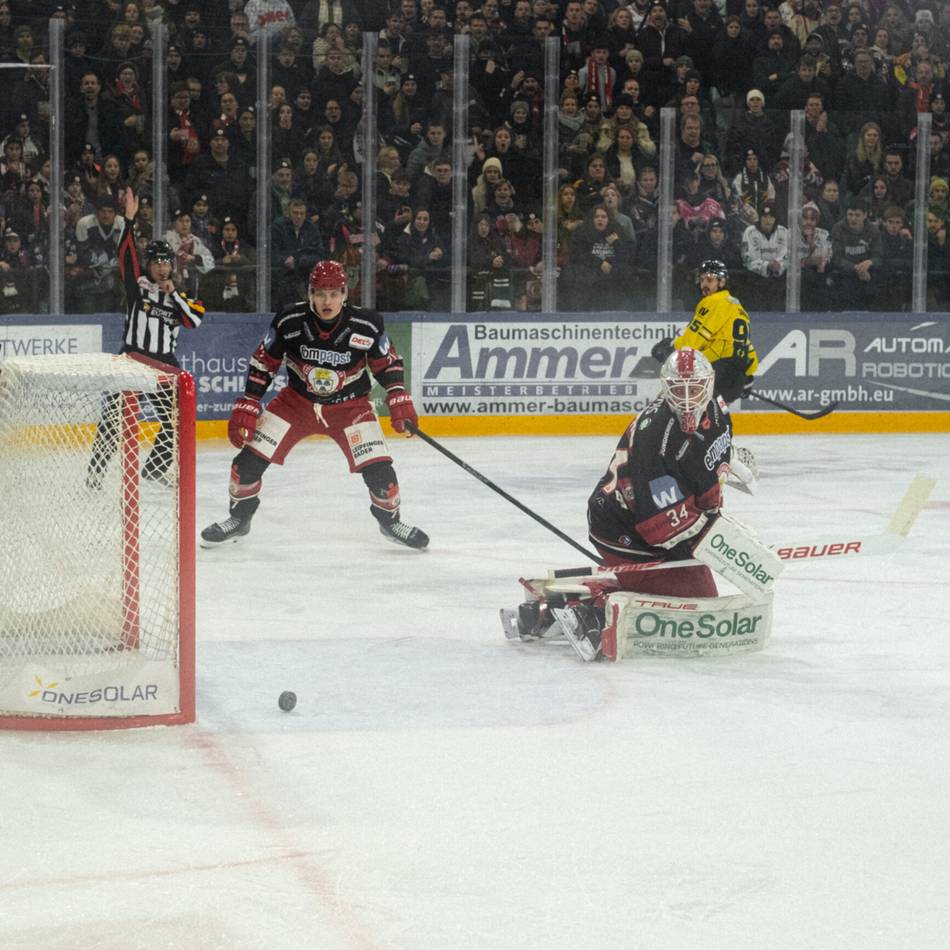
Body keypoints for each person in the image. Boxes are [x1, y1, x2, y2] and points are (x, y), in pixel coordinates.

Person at [511, 348, 734, 657]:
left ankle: (578, 595)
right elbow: (661, 527)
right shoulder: (655, 433)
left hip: (654, 523)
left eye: (694, 388)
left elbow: (704, 467)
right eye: (678, 389)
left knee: (698, 591)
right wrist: (716, 540)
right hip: (622, 528)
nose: (686, 398)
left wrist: (729, 471)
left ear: (708, 385)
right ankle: (577, 606)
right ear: (664, 387)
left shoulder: (719, 409)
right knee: (698, 604)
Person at [200, 260, 428, 551]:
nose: (327, 301)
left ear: (346, 294)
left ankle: (390, 521)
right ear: (310, 293)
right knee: (245, 465)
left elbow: (388, 362)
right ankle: (239, 519)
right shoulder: (289, 320)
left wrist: (397, 394)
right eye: (320, 293)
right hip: (296, 403)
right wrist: (249, 402)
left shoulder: (367, 324)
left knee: (382, 476)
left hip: (351, 408)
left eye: (334, 294)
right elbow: (263, 363)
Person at [87, 189, 205, 490]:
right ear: (149, 264)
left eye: (167, 263)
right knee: (113, 421)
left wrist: (173, 293)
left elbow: (193, 321)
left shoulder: (181, 295)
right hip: (132, 358)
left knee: (176, 420)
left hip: (165, 365)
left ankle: (153, 469)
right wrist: (128, 220)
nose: (163, 268)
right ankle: (96, 474)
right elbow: (125, 256)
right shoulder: (137, 287)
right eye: (157, 263)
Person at [651, 260, 758, 404]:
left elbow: (695, 338)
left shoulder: (712, 302)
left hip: (718, 370)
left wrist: (672, 348)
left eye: (709, 280)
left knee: (684, 407)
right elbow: (747, 345)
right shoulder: (739, 308)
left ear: (722, 282)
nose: (704, 285)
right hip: (738, 374)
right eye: (701, 280)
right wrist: (748, 376)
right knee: (716, 415)